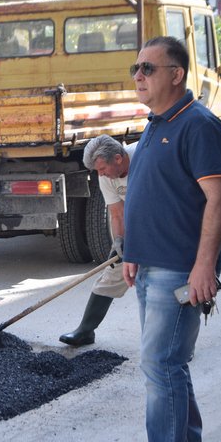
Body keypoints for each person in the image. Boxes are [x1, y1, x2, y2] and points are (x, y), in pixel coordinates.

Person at [113, 37, 221, 442]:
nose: (138, 76)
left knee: (161, 364)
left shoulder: (198, 125)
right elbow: (153, 194)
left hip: (180, 271)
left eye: (148, 68)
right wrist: (133, 252)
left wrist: (205, 267)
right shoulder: (157, 123)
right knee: (170, 366)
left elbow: (218, 198)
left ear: (176, 74)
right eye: (135, 68)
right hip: (151, 266)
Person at [59, 135, 135, 347]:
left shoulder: (145, 158)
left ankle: (178, 345)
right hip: (136, 226)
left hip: (164, 226)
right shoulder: (106, 176)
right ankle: (85, 330)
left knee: (168, 284)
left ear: (118, 158)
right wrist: (119, 241)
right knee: (112, 273)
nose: (100, 174)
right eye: (97, 171)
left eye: (102, 169)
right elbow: (117, 213)